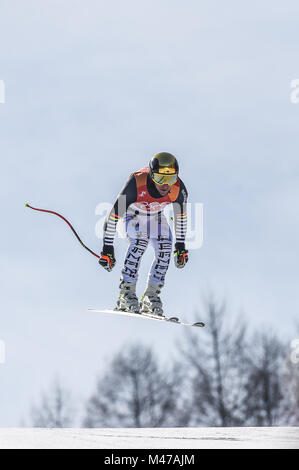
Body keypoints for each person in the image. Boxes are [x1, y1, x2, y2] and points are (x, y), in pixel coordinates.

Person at [99, 152, 189, 315]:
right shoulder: (137, 182)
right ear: (152, 175)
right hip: (131, 215)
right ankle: (126, 292)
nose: (165, 185)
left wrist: (180, 246)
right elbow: (112, 217)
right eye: (161, 178)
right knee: (140, 241)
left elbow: (181, 218)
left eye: (171, 178)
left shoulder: (178, 189)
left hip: (155, 216)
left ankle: (151, 296)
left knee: (165, 246)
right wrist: (107, 249)